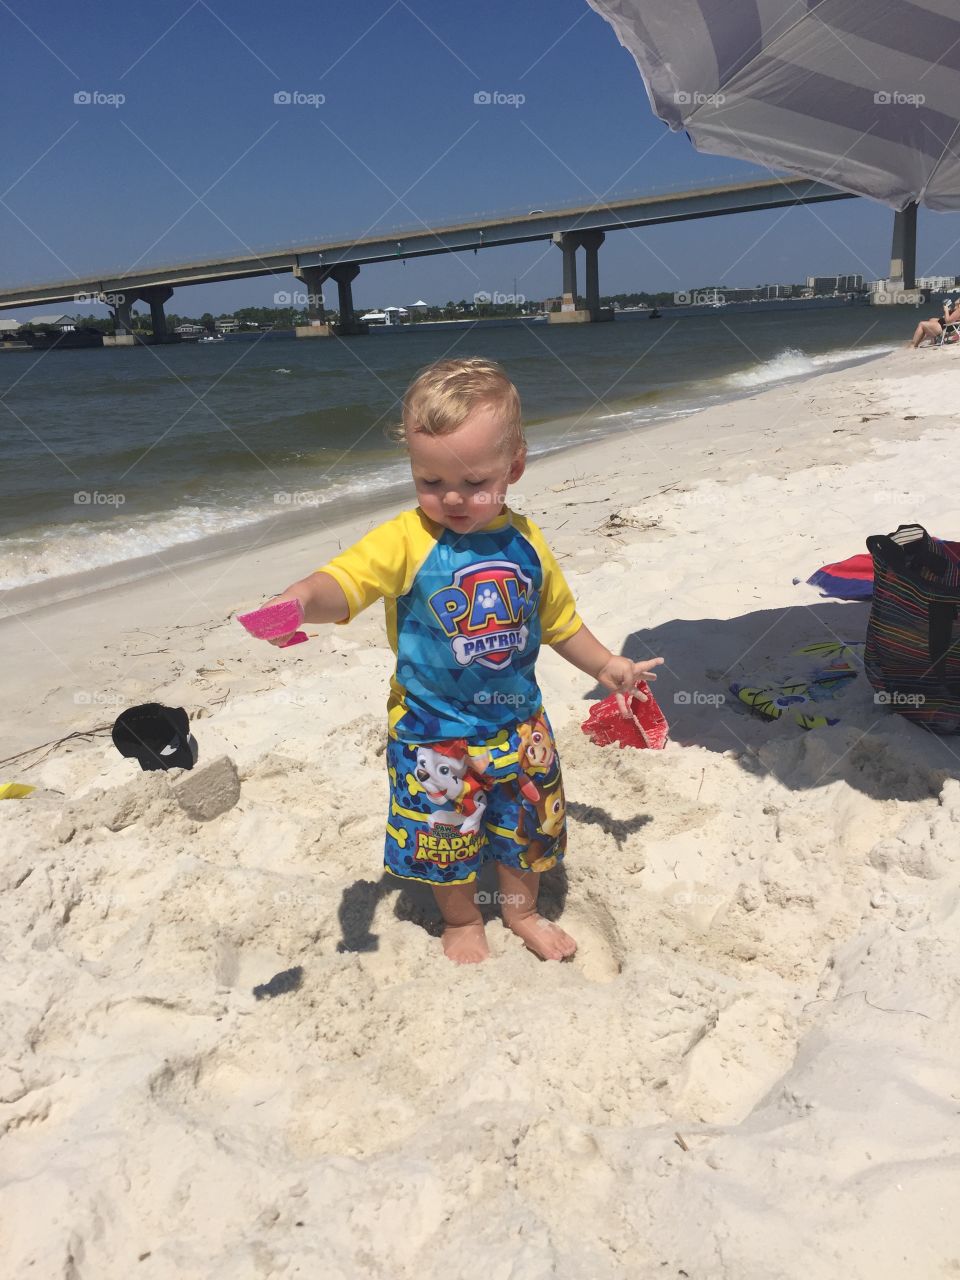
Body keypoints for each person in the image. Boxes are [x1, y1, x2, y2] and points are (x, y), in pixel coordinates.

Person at [249, 357, 664, 965]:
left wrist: (607, 667)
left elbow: (556, 621)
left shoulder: (526, 540)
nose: (451, 497)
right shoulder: (405, 540)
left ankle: (520, 913)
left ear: (514, 467)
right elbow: (345, 581)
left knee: (526, 826)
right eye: (429, 480)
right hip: (432, 731)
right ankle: (464, 919)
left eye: (474, 483)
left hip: (519, 723)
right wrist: (298, 603)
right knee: (444, 836)